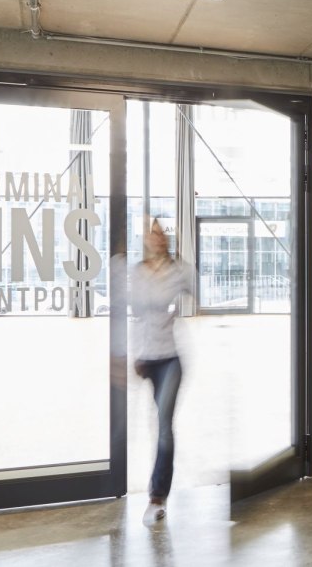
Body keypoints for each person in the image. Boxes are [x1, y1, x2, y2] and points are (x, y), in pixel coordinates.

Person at [130, 220, 195, 525]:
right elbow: (135, 316)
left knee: (164, 427)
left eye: (160, 232)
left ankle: (157, 497)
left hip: (170, 359)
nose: (156, 237)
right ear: (145, 239)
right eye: (151, 233)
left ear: (166, 239)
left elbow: (196, 291)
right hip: (147, 357)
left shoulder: (178, 270)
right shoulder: (138, 272)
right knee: (149, 425)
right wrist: (135, 356)